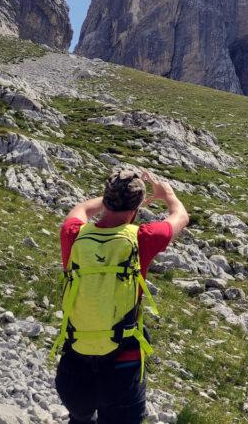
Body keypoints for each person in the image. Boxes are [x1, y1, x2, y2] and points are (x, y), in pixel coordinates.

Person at [52, 167, 189, 424]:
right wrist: (166, 193)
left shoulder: (73, 234)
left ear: (106, 201)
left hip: (75, 362)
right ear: (136, 209)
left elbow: (82, 208)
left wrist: (112, 193)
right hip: (122, 365)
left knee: (79, 418)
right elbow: (180, 216)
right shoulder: (142, 238)